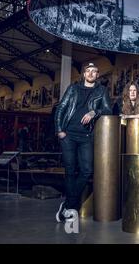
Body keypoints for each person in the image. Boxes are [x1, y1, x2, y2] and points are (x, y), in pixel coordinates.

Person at [54, 63, 112, 223]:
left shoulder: (101, 90)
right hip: (68, 135)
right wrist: (60, 130)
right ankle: (70, 207)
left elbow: (109, 109)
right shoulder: (73, 89)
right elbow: (61, 108)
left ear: (98, 74)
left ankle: (67, 205)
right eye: (88, 71)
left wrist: (95, 112)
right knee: (70, 171)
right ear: (84, 73)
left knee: (87, 170)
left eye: (94, 71)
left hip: (87, 136)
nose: (91, 73)